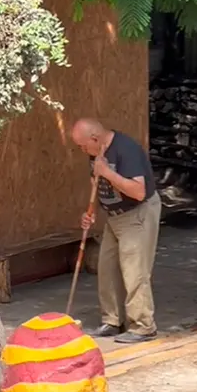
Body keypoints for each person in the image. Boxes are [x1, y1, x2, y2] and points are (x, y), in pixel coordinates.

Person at [71, 118, 161, 344]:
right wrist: (90, 212)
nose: (82, 150)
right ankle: (112, 320)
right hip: (115, 216)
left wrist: (108, 173)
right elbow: (97, 183)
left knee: (135, 271)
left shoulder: (125, 149)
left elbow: (139, 192)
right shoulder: (95, 152)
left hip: (137, 213)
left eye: (83, 145)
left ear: (95, 138)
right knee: (107, 267)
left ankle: (143, 326)